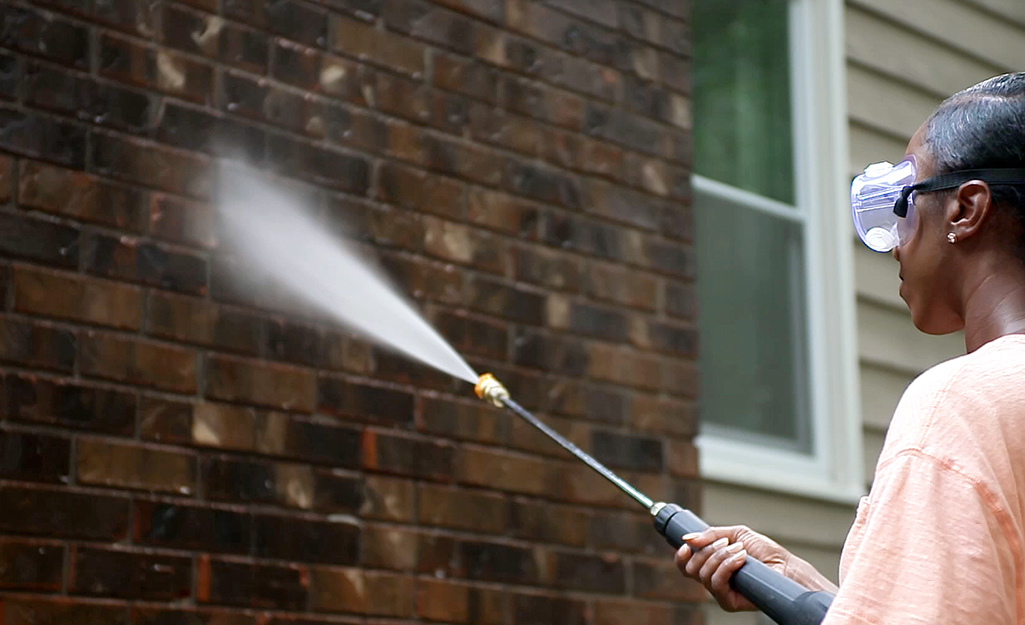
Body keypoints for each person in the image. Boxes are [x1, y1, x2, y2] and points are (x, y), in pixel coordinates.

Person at [676, 72, 1025, 624]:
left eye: (905, 204)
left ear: (965, 209)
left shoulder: (960, 406)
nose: (896, 243)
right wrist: (815, 589)